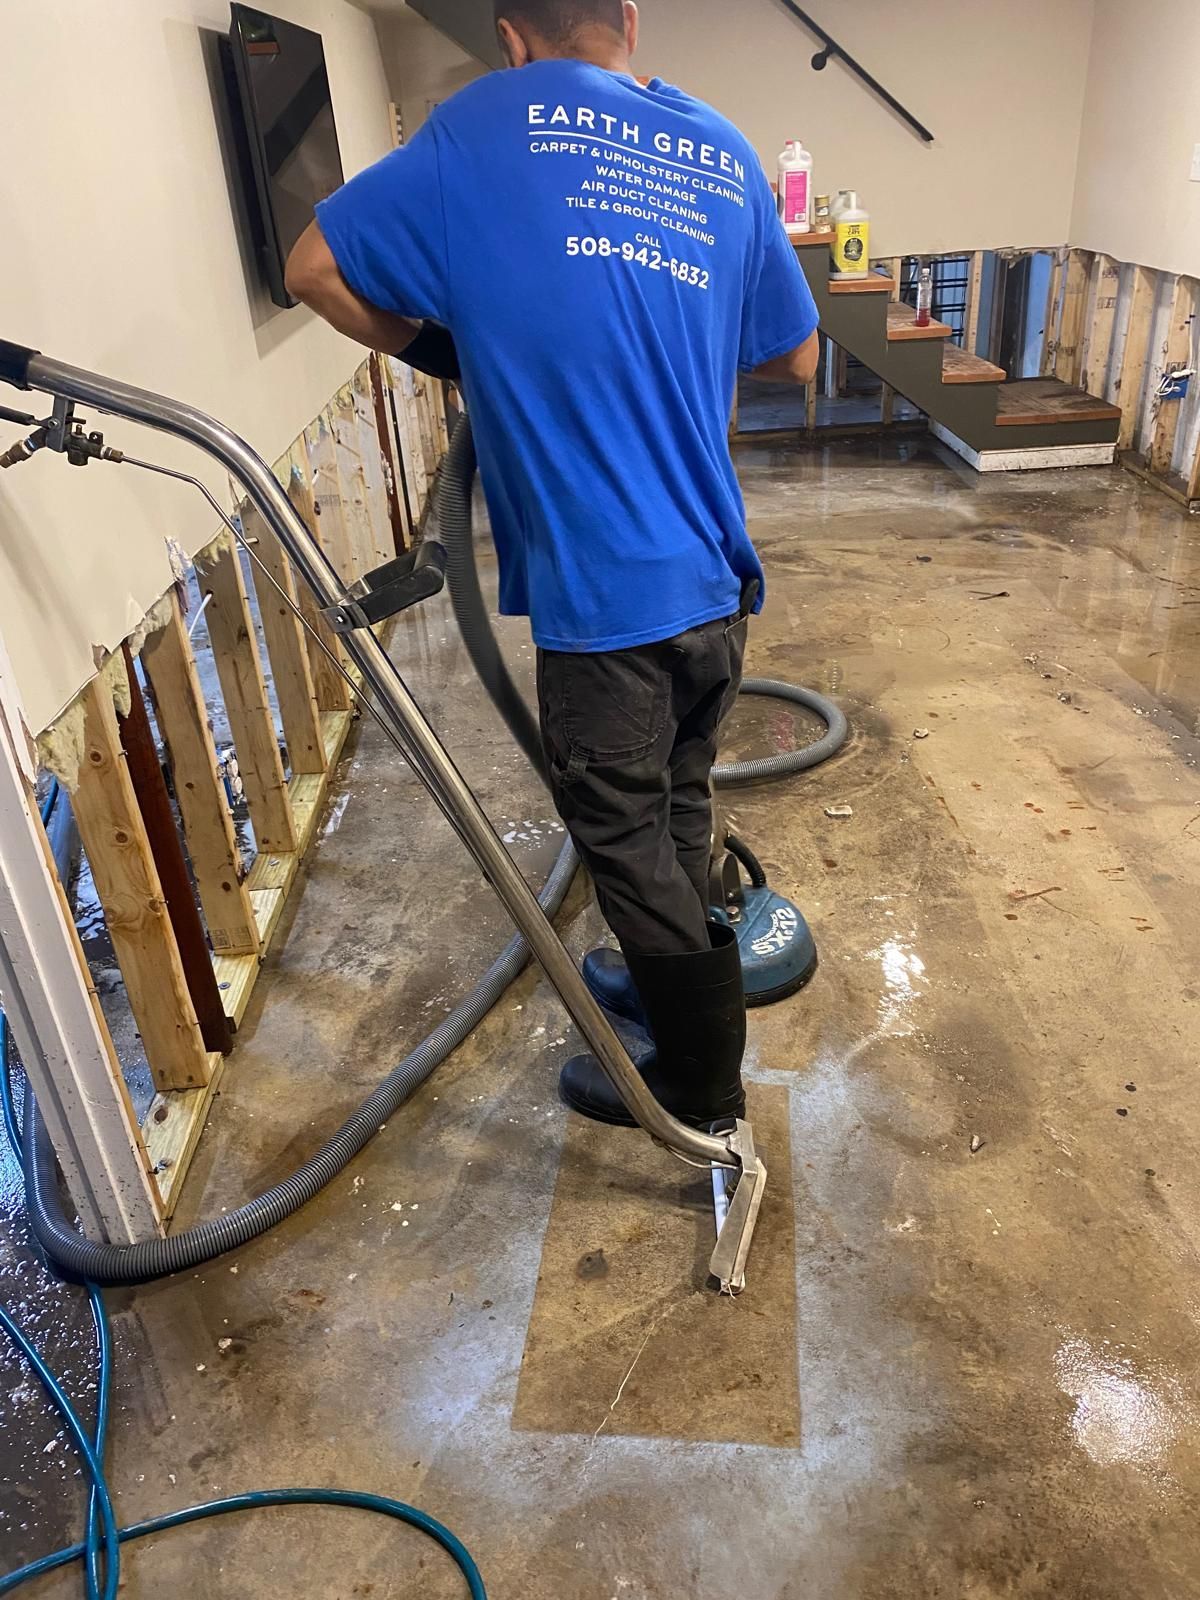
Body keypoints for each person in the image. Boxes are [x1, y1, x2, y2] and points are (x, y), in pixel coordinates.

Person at [286, 0, 820, 1131]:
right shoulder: (719, 145)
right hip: (716, 576)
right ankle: (673, 981)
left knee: (620, 833)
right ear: (629, 21)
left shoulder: (480, 127)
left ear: (510, 36)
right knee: (675, 799)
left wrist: (446, 347)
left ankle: (700, 1087)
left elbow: (314, 265)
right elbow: (798, 354)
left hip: (605, 600)